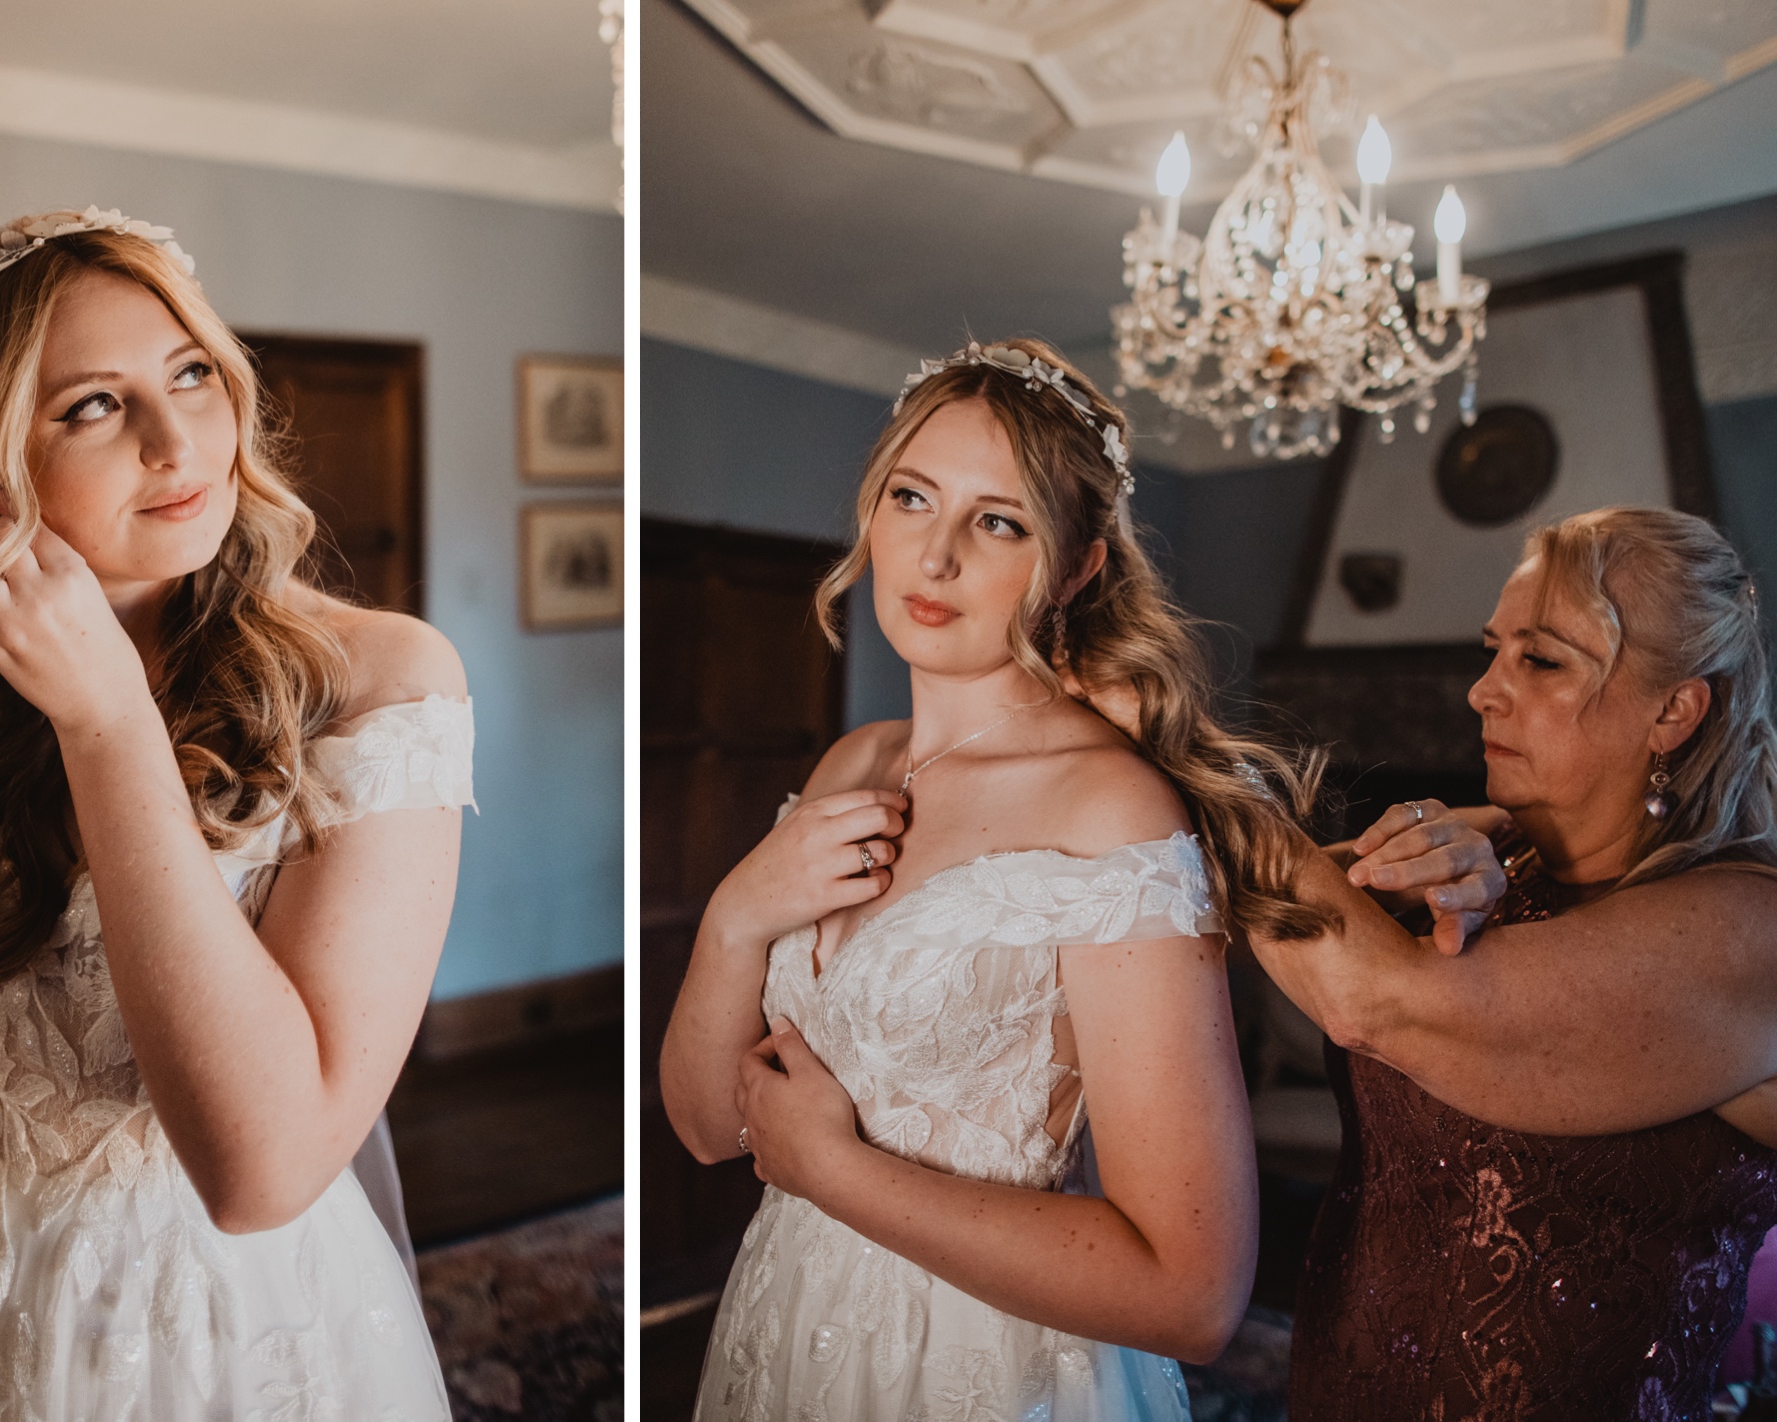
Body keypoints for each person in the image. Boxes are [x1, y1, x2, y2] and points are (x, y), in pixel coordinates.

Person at [0, 209, 469, 1418]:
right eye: (92, 404)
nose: (175, 438)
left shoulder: (381, 682)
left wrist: (107, 725)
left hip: (214, 1318)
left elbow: (262, 1172)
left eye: (191, 373)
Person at [660, 338, 1348, 1420]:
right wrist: (736, 915)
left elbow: (1193, 1291)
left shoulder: (1107, 810)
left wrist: (837, 1172)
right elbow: (708, 1128)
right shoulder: (853, 764)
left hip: (986, 1370)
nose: (933, 559)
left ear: (1076, 567)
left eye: (998, 521)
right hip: (789, 1326)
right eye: (912, 498)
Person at [1243, 507, 1777, 1420]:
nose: (1482, 692)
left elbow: (1374, 1001)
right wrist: (1422, 859)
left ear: (1674, 710)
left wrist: (1196, 765)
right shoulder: (1506, 870)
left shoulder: (1747, 928)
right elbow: (1265, 916)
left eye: (1540, 660)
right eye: (1494, 652)